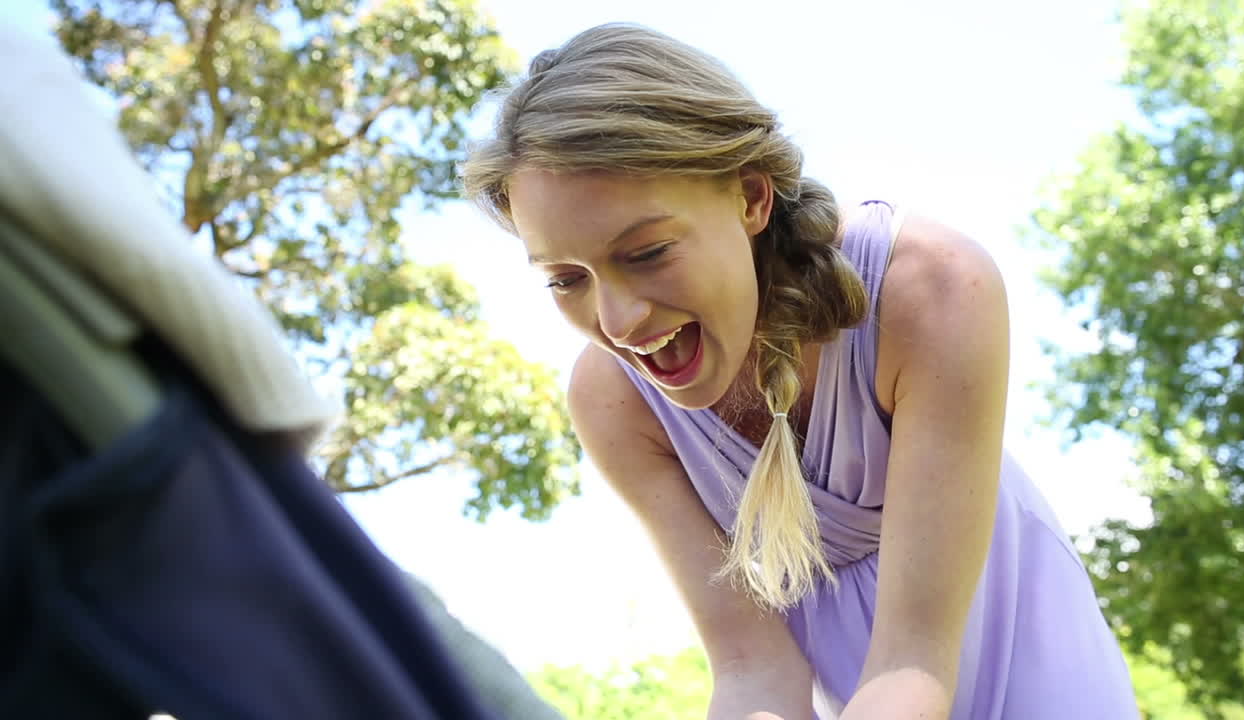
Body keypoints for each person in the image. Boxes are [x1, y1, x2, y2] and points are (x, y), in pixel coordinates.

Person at [461, 22, 1140, 720]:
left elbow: (913, 664)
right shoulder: (613, 402)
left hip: (1022, 666)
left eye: (648, 252)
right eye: (566, 279)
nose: (620, 321)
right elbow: (752, 669)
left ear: (751, 197)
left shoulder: (931, 289)